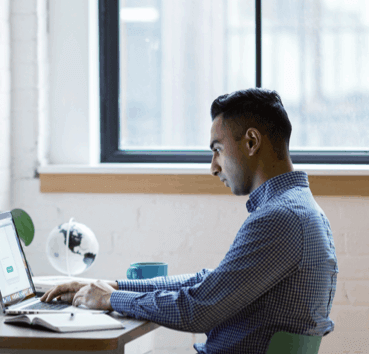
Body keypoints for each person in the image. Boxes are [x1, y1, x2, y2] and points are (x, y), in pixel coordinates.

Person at [41, 88, 338, 354]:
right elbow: (210, 283)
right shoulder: (300, 210)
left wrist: (111, 300)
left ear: (251, 141)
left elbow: (198, 309)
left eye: (217, 149)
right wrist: (114, 286)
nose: (213, 167)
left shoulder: (279, 218)